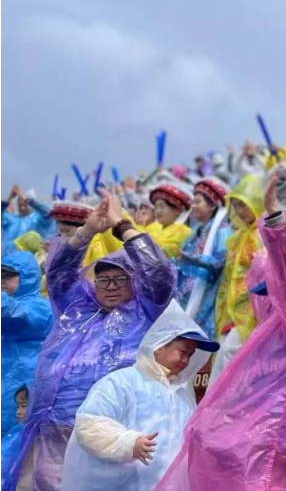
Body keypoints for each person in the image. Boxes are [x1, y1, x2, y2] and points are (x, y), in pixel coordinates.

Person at [156, 172, 286, 491]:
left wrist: (276, 219)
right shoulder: (269, 333)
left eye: (270, 287)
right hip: (266, 444)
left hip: (279, 444)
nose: (264, 296)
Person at [3, 193, 175, 491]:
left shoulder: (146, 312)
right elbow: (58, 274)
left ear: (135, 283)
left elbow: (158, 272)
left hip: (109, 431)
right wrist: (86, 232)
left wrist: (122, 226)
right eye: (103, 279)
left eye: (120, 279)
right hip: (56, 427)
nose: (109, 286)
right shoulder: (79, 309)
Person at [61, 301, 218, 491]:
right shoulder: (122, 382)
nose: (186, 361)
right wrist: (129, 443)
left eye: (191, 355)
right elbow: (89, 425)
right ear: (159, 346)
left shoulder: (182, 394)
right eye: (183, 352)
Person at [209, 175, 264, 383]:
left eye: (244, 205)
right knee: (225, 354)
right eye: (237, 206)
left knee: (231, 354)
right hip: (234, 308)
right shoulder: (239, 236)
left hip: (251, 308)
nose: (240, 211)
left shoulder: (260, 235)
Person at [1, 252, 52, 437]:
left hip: (23, 383)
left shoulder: (41, 306)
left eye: (8, 277)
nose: (2, 281)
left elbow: (15, 317)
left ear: (27, 278)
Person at [175, 177, 231, 339]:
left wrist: (194, 260)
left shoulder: (222, 231)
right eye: (192, 202)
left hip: (208, 296)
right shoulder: (195, 232)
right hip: (186, 295)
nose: (192, 206)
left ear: (212, 205)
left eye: (197, 202)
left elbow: (222, 264)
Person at [144, 184, 193, 258]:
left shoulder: (185, 231)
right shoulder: (151, 227)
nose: (157, 211)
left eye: (162, 206)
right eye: (156, 207)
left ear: (177, 210)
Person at [0, 383, 31, 483]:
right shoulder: (17, 431)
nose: (18, 411)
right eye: (17, 406)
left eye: (24, 405)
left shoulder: (38, 437)